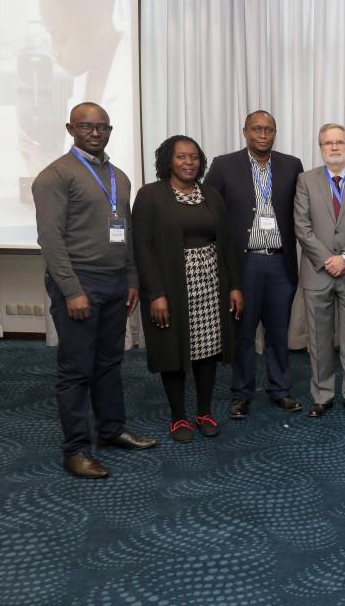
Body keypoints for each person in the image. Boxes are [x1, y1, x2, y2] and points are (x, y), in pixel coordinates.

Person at [33, 102, 156, 478]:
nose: (95, 133)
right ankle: (75, 450)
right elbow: (50, 240)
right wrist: (71, 290)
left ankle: (111, 430)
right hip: (80, 282)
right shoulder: (54, 176)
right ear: (71, 128)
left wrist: (132, 279)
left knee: (109, 364)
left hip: (116, 283)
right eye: (87, 127)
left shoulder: (119, 177)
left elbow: (128, 233)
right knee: (76, 371)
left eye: (102, 127)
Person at [132, 136, 244, 443]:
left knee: (207, 349)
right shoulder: (150, 195)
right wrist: (155, 293)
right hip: (171, 286)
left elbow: (229, 243)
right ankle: (178, 417)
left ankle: (204, 412)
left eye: (194, 157)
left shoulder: (211, 195)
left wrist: (235, 285)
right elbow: (142, 247)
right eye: (181, 157)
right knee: (173, 348)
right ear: (168, 160)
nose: (188, 162)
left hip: (210, 284)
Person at [204, 110, 305, 420]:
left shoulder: (291, 165)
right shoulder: (224, 165)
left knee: (278, 332)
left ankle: (280, 389)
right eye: (257, 129)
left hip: (279, 263)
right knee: (243, 333)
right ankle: (241, 393)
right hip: (243, 264)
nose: (263, 134)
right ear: (244, 131)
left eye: (269, 129)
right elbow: (210, 211)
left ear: (276, 133)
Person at [294, 124, 345, 418]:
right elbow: (302, 226)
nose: (335, 147)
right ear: (320, 147)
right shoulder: (305, 180)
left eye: (340, 142)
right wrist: (329, 259)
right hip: (318, 271)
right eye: (328, 143)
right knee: (319, 340)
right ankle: (322, 395)